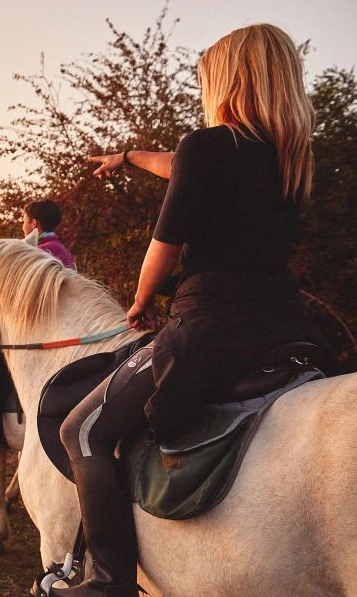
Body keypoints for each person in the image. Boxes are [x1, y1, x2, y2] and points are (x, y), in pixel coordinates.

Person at [55, 24, 328, 597]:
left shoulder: (206, 147)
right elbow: (179, 163)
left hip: (210, 324)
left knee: (80, 430)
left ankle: (109, 582)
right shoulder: (289, 158)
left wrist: (138, 299)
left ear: (229, 81)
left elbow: (166, 244)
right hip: (285, 324)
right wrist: (127, 156)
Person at [22, 200, 76, 269]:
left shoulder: (39, 252)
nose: (23, 227)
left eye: (24, 222)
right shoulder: (65, 252)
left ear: (34, 223)